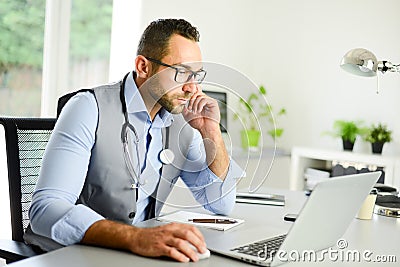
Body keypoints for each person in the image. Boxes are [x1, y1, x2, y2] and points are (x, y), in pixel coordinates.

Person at [26, 18, 243, 262]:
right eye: (182, 73)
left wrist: (211, 131)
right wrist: (136, 238)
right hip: (72, 255)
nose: (192, 88)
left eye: (197, 75)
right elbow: (46, 209)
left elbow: (221, 205)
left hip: (136, 256)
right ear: (143, 67)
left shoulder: (182, 123)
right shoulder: (88, 107)